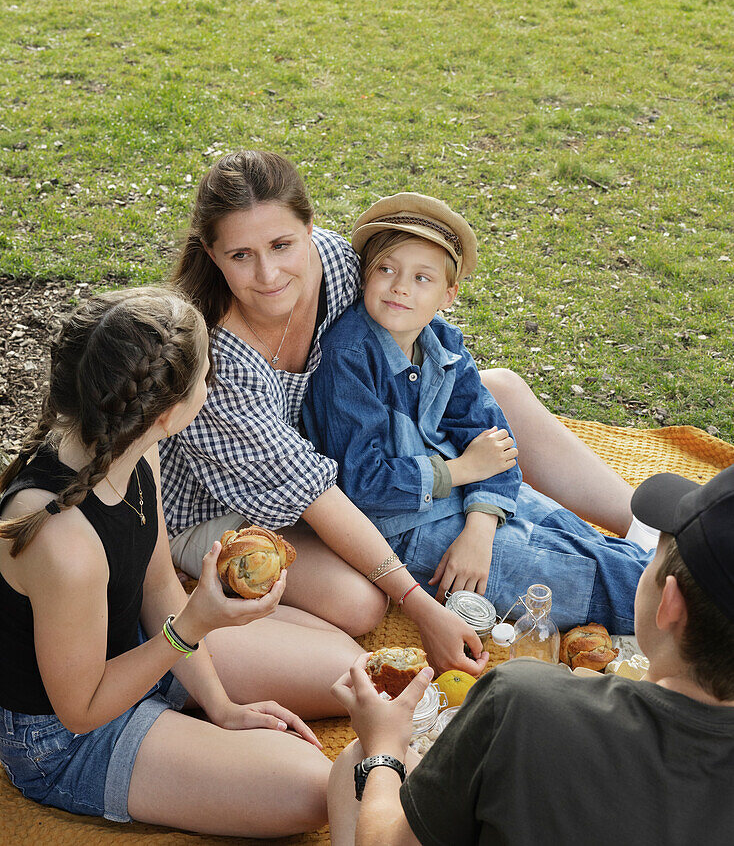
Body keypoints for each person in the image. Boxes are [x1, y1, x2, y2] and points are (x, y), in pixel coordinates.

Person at [161, 151, 636, 656]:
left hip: (334, 454)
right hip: (225, 503)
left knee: (502, 392)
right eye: (241, 255)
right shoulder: (214, 358)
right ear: (212, 254)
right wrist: (420, 603)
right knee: (361, 603)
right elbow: (325, 493)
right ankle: (225, 625)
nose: (270, 273)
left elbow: (428, 348)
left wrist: (479, 511)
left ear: (309, 228)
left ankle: (650, 529)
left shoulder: (342, 268)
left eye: (282, 244)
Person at [0, 287, 364, 837]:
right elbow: (81, 709)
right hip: (66, 734)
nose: (210, 386)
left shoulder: (135, 445)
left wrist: (218, 703)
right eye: (206, 379)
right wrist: (193, 627)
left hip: (141, 649)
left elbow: (158, 589)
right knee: (317, 790)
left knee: (350, 671)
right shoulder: (63, 541)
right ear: (171, 414)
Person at [327, 462, 734, 846]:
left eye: (653, 558)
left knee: (357, 761)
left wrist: (383, 748)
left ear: (671, 605)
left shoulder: (519, 699)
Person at [302, 193, 651, 631]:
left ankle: (691, 576)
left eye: (422, 278)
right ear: (365, 274)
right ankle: (703, 611)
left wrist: (481, 524)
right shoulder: (347, 355)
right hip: (402, 529)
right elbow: (361, 484)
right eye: (386, 269)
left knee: (586, 541)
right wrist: (461, 471)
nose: (400, 287)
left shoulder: (444, 342)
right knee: (603, 585)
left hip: (472, 498)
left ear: (448, 295)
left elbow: (494, 441)